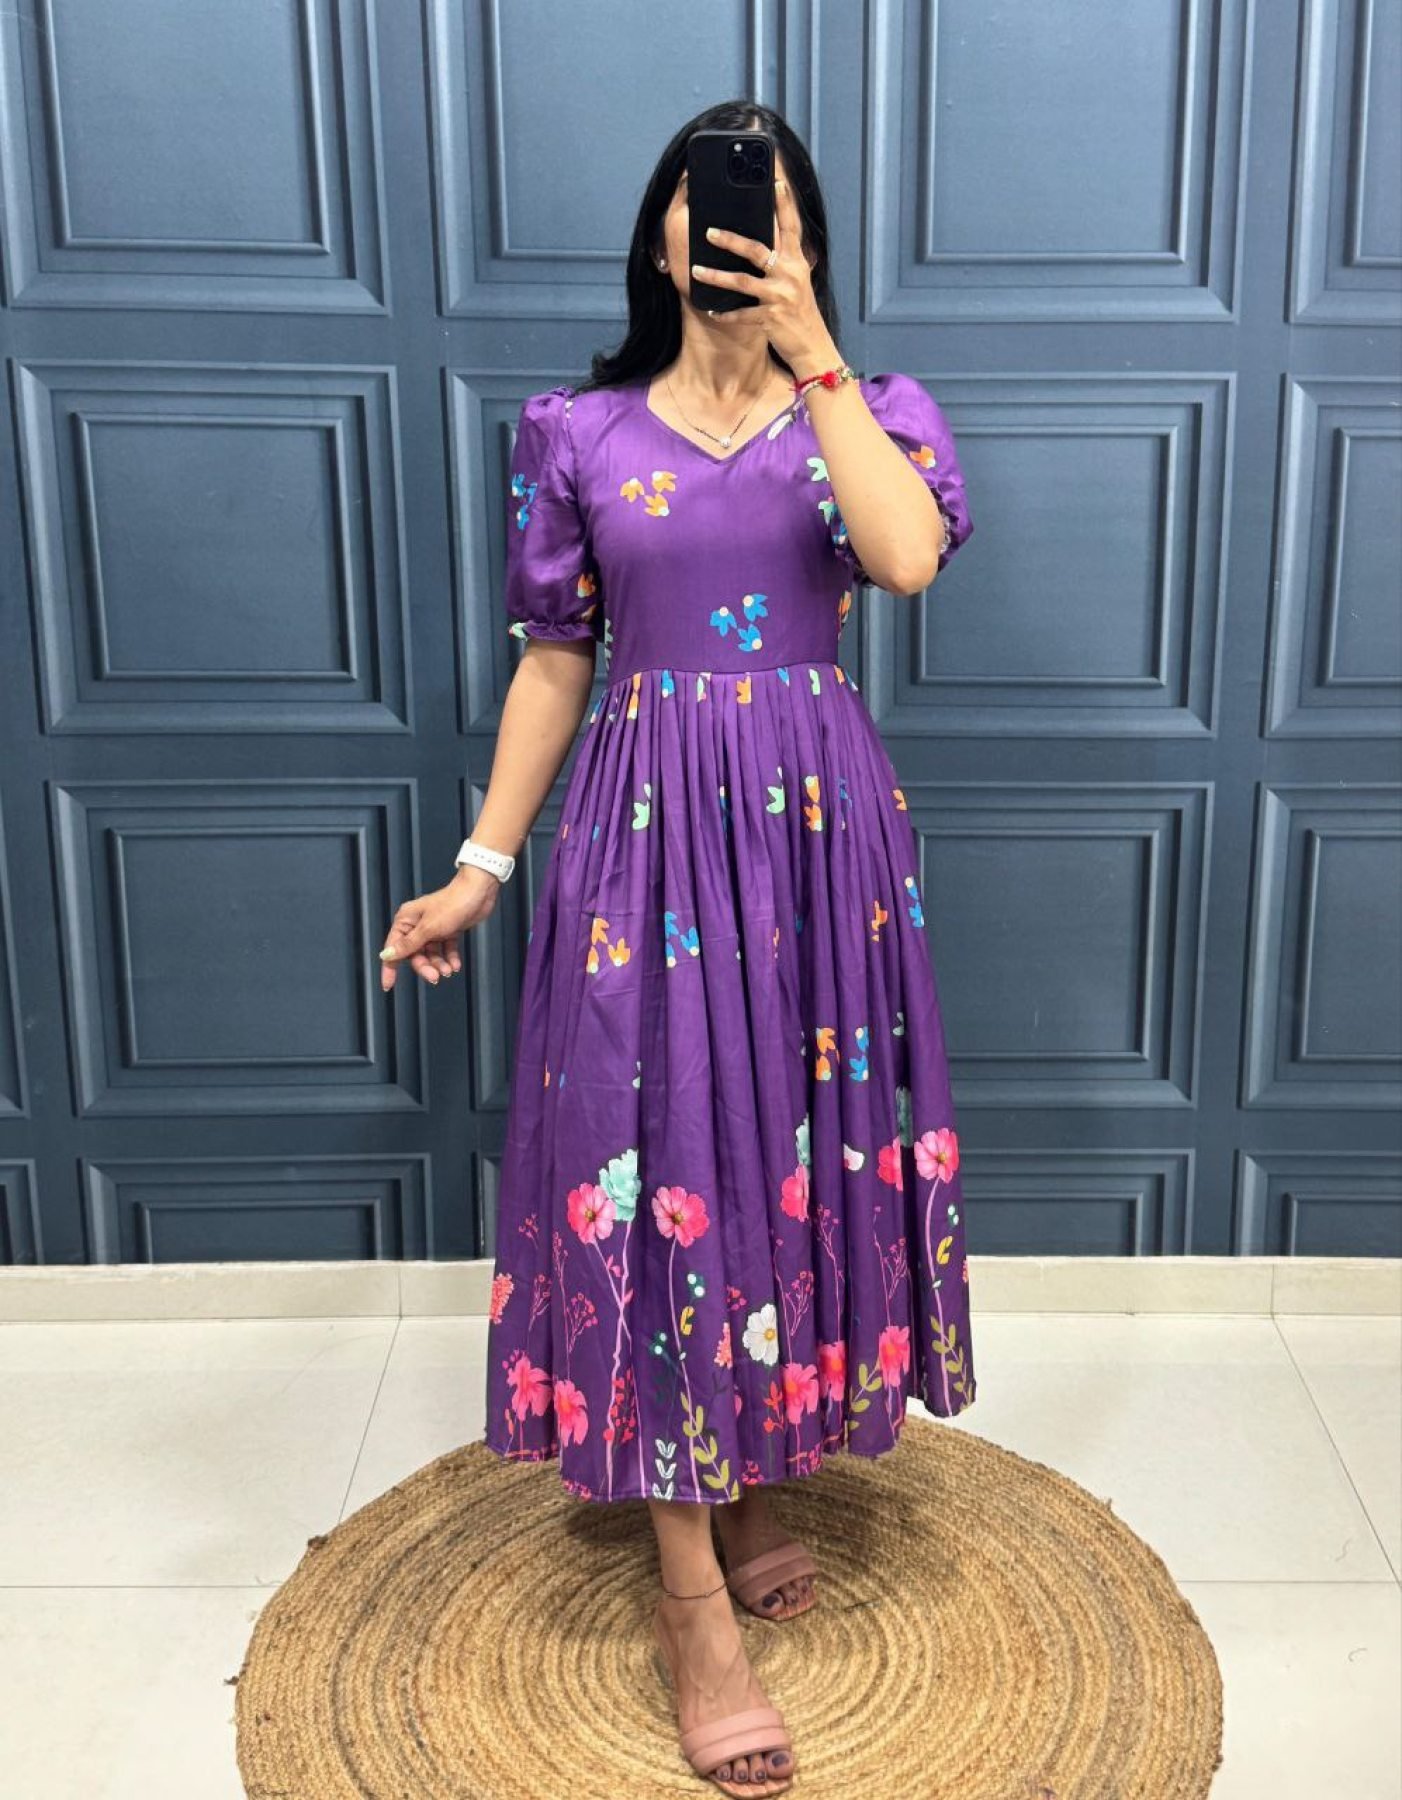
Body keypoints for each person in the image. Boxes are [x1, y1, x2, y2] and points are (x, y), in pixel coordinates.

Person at [380, 100, 976, 1799]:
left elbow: (903, 558)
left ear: (801, 243)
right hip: (642, 838)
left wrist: (813, 350)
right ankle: (689, 1594)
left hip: (817, 842)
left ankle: (759, 1450)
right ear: (658, 236)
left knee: (789, 1152)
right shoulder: (574, 432)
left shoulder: (869, 409)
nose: (729, 237)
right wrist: (481, 865)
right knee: (655, 1171)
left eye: (765, 215)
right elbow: (554, 658)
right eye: (707, 211)